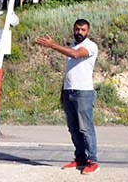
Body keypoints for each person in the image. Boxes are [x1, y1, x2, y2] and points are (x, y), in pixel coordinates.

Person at [35, 18, 99, 175]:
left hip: (83, 93)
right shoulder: (71, 45)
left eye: (83, 30)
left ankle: (92, 161)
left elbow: (77, 55)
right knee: (73, 128)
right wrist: (63, 92)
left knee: (86, 128)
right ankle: (80, 159)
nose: (79, 32)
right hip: (69, 91)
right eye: (77, 29)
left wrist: (52, 45)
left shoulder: (90, 46)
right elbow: (70, 71)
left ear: (88, 31)